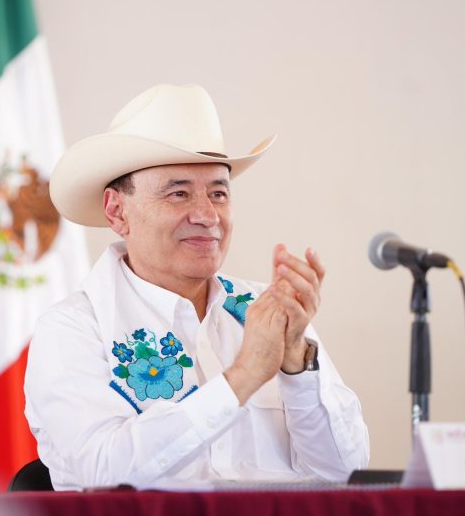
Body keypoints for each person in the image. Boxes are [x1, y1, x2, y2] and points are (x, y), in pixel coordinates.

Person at [24, 83, 369, 490]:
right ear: (117, 212)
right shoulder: (73, 328)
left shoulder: (269, 311)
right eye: (178, 193)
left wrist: (296, 360)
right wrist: (244, 375)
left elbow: (346, 474)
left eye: (219, 193)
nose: (207, 215)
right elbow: (100, 472)